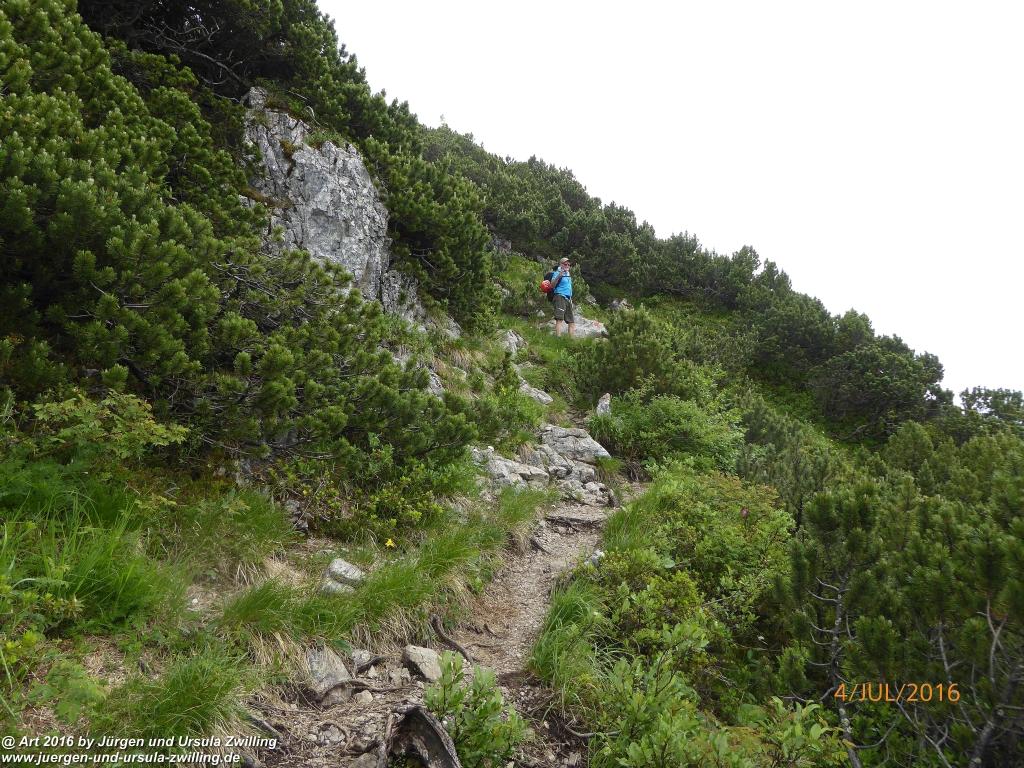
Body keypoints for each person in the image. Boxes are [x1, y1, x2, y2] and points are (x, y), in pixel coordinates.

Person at [551, 257, 575, 338]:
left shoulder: (568, 274)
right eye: (565, 264)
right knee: (559, 318)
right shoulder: (557, 273)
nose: (567, 265)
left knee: (571, 321)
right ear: (561, 264)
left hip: (568, 298)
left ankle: (571, 340)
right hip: (559, 296)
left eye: (569, 264)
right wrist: (559, 276)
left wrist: (570, 298)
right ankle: (558, 338)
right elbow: (552, 285)